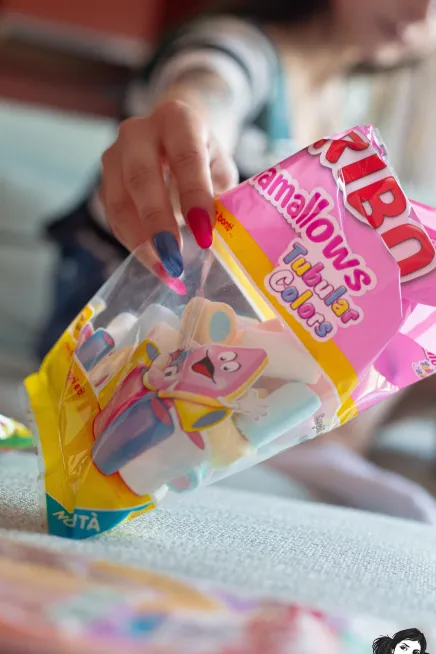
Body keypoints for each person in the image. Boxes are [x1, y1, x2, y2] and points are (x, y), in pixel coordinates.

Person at [37, 0, 436, 516]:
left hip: (246, 362)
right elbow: (207, 85)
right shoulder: (241, 50)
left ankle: (329, 444)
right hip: (127, 336)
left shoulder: (344, 110)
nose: (421, 12)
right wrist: (190, 130)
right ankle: (323, 447)